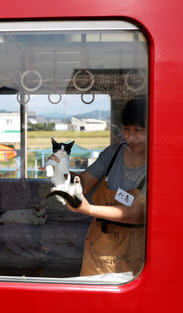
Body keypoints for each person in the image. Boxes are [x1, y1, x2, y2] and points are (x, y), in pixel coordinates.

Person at [47, 97, 147, 276]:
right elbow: (84, 182)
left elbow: (135, 213)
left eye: (138, 130)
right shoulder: (113, 153)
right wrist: (62, 173)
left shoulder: (156, 162)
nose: (131, 136)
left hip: (134, 252)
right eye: (126, 129)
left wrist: (88, 209)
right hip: (98, 247)